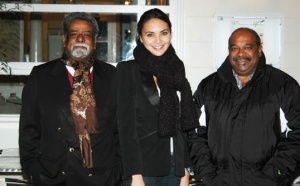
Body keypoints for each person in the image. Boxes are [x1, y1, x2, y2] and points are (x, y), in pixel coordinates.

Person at [19, 12, 121, 186]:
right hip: (54, 177)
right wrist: (32, 171)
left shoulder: (113, 77)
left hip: (103, 179)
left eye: (87, 34)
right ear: (65, 40)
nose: (80, 38)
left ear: (95, 42)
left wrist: (119, 172)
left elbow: (122, 131)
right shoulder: (40, 76)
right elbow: (29, 130)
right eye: (74, 34)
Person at [189, 27, 300, 186]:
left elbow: (298, 132)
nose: (240, 53)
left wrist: (275, 175)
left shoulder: (282, 85)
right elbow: (193, 132)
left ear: (259, 50)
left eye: (247, 47)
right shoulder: (209, 87)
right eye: (234, 48)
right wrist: (207, 175)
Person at [116, 8, 198, 186]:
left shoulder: (177, 68)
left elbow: (182, 125)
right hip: (143, 168)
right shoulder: (127, 70)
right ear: (140, 37)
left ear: (170, 34)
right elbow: (125, 127)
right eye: (150, 35)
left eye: (164, 33)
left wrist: (185, 169)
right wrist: (134, 174)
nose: (158, 40)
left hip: (175, 167)